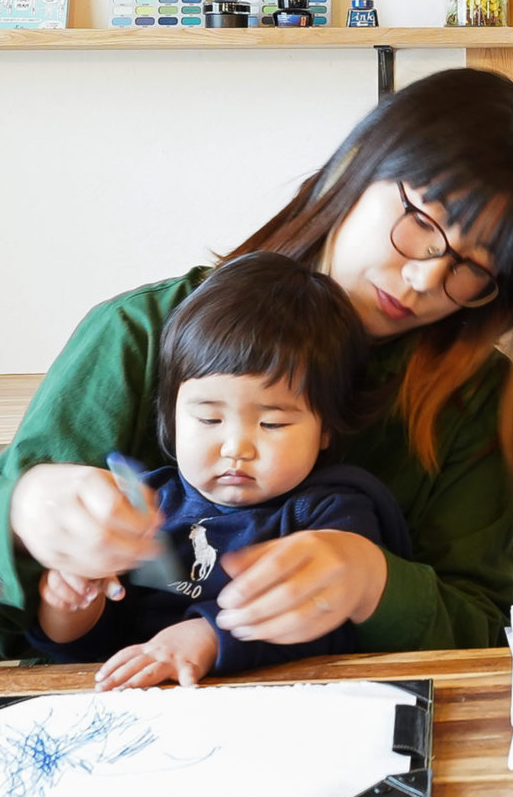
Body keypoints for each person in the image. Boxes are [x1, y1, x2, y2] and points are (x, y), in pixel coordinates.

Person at [0, 68, 513, 662]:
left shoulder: (470, 395)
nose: (426, 280)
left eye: (473, 269)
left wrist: (373, 579)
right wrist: (22, 514)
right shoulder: (142, 333)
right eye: (422, 222)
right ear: (362, 161)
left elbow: (487, 640)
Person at [29, 252, 409, 689]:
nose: (236, 447)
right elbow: (85, 653)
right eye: (209, 420)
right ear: (170, 418)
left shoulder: (332, 511)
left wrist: (208, 636)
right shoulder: (146, 504)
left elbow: (331, 629)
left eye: (272, 423)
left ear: (326, 429)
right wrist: (71, 603)